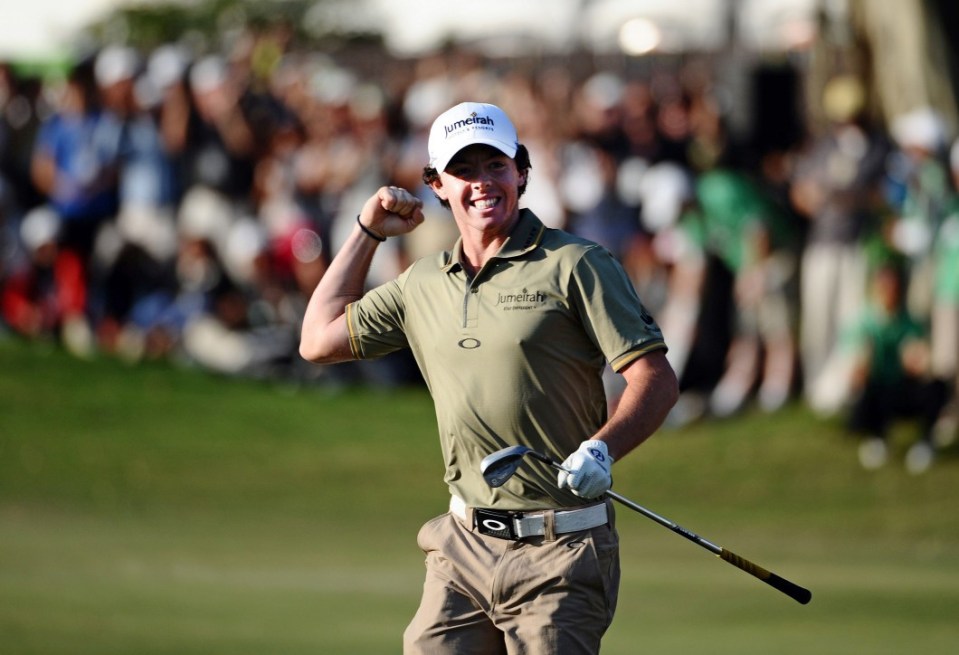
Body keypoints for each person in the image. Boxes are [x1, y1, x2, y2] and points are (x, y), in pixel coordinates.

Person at [299, 101, 678, 654]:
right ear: (437, 184)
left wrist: (603, 449)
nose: (482, 182)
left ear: (521, 172)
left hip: (561, 549)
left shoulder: (576, 263)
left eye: (496, 165)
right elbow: (316, 340)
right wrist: (367, 232)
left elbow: (655, 379)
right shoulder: (423, 283)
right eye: (464, 170)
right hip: (462, 545)